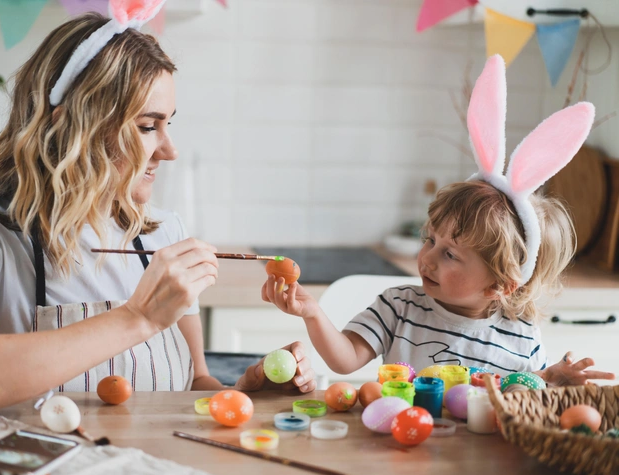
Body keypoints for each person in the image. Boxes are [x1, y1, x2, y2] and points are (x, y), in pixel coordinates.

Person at [0, 8, 315, 419]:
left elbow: (194, 384)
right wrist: (138, 317)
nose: (169, 150)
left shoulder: (164, 234)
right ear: (70, 127)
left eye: (168, 124)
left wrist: (243, 391)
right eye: (148, 126)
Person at [261, 55, 616, 387]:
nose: (428, 258)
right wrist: (312, 313)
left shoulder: (520, 335)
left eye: (450, 254)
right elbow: (345, 358)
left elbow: (524, 396)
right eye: (430, 239)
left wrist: (548, 380)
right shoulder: (398, 307)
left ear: (499, 286)